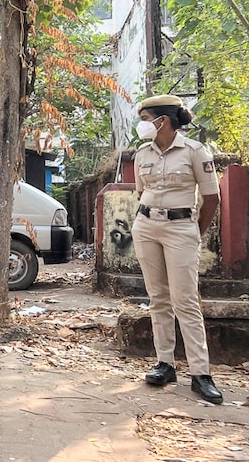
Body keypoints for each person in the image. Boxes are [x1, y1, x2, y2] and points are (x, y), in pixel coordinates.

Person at [131, 95, 223, 404]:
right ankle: (165, 364)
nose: (141, 124)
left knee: (185, 300)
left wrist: (192, 232)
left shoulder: (195, 152)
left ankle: (200, 373)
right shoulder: (141, 154)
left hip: (181, 227)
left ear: (163, 121)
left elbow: (212, 198)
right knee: (158, 298)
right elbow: (140, 193)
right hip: (146, 227)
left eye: (145, 118)